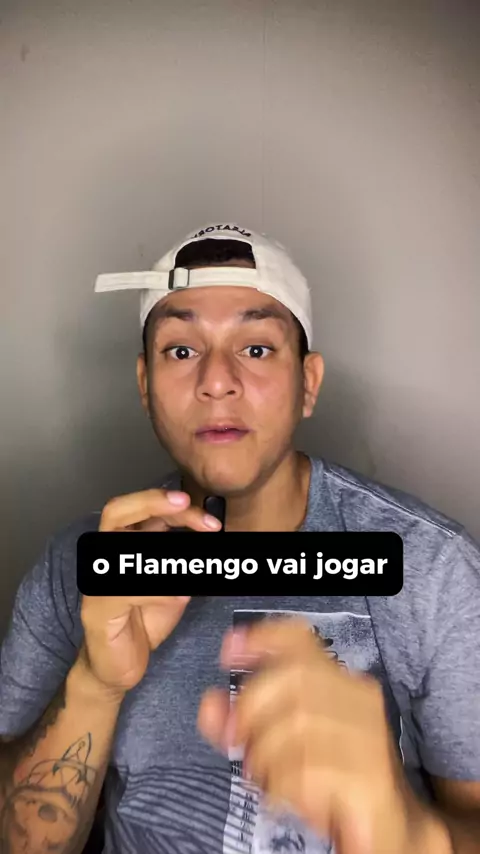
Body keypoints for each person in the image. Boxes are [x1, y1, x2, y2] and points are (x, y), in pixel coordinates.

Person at [0, 222, 479, 854]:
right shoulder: (75, 566)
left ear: (308, 383)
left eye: (255, 348)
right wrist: (95, 682)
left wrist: (412, 836)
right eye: (181, 350)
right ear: (144, 385)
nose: (217, 380)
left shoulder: (432, 567)